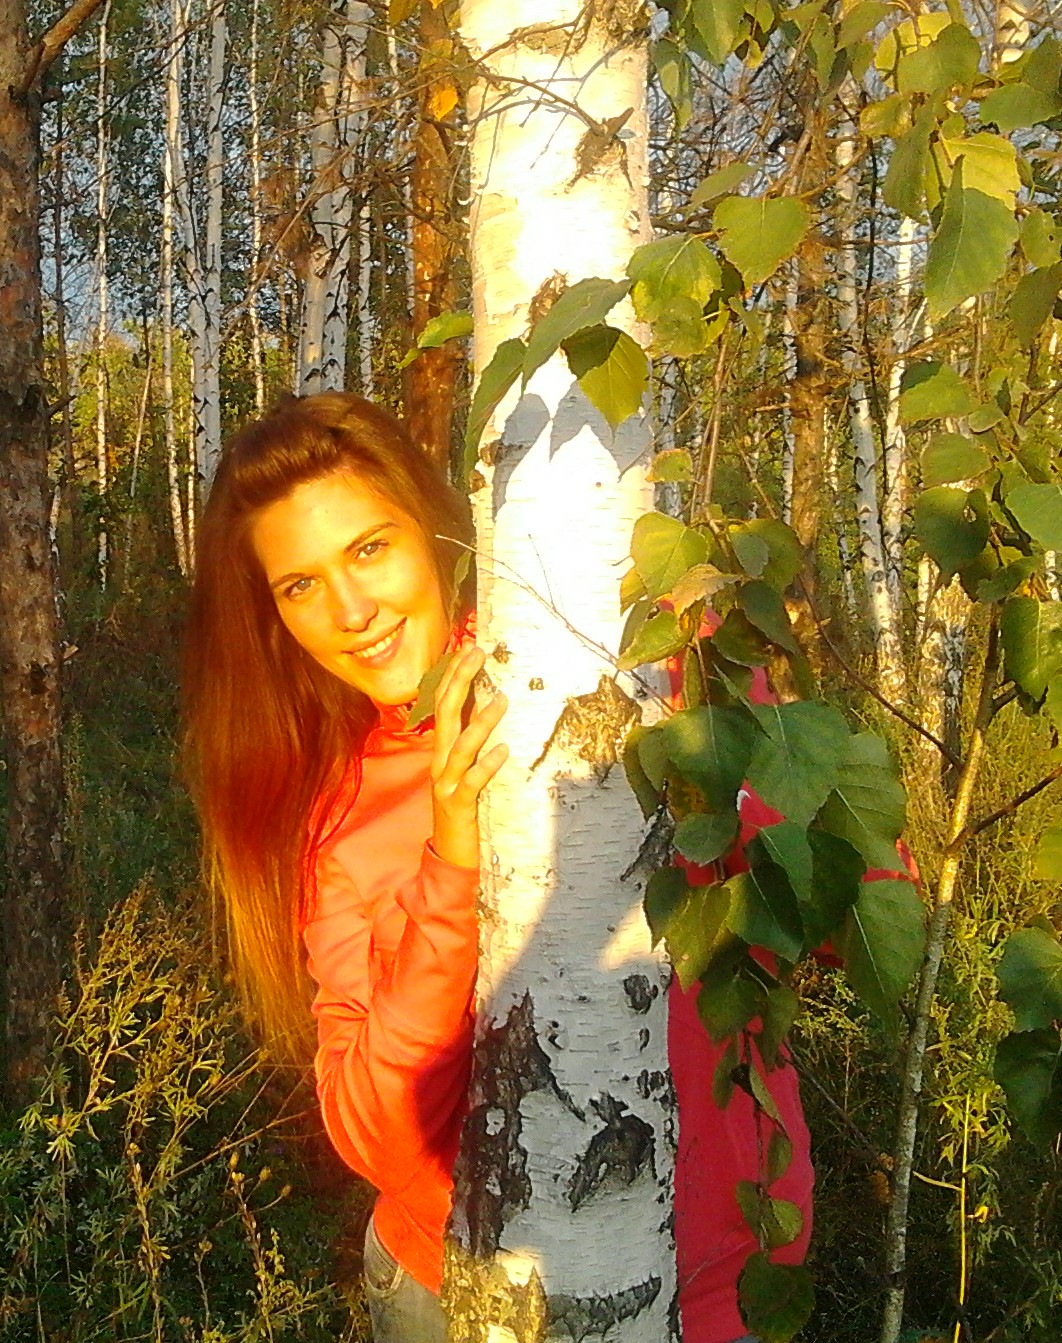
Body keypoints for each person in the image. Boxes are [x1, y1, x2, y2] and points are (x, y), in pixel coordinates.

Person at [182, 391, 813, 1343]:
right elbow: (376, 1133)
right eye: (300, 585)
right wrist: (450, 863)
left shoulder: (639, 658)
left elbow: (849, 906)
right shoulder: (347, 817)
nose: (351, 611)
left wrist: (710, 740)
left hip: (724, 1274)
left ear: (437, 533)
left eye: (369, 548)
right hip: (472, 1294)